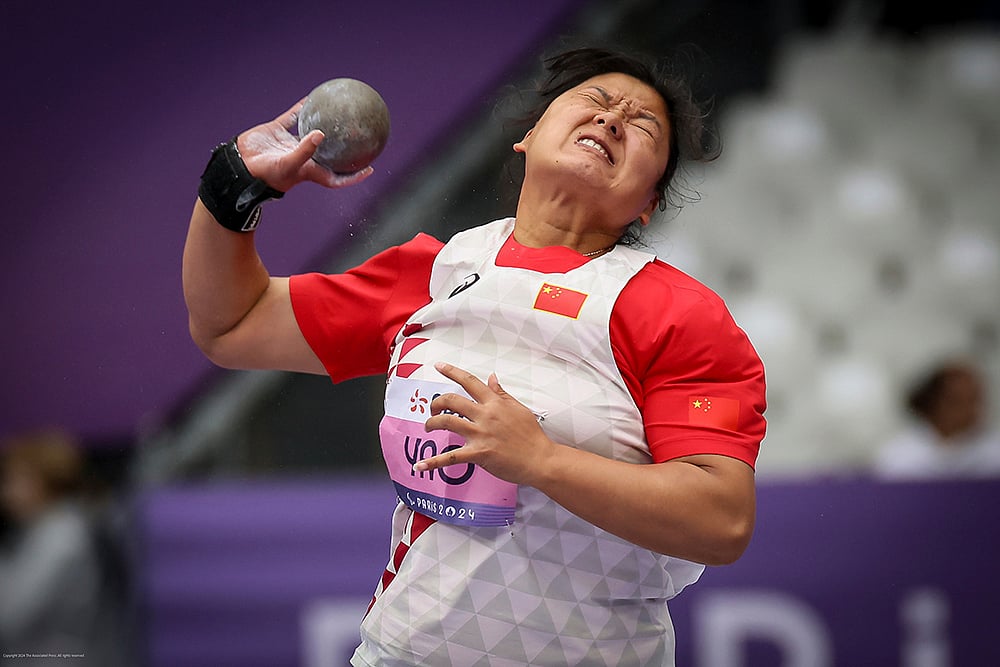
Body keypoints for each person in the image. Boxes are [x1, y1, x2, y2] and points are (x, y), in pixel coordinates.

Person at [183, 45, 767, 666]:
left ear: (649, 201)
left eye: (641, 125)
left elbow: (722, 521)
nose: (611, 119)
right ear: (530, 136)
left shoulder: (678, 313)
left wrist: (541, 460)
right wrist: (233, 185)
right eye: (594, 102)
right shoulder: (431, 274)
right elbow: (232, 324)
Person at [0, 429, 126, 666]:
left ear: (41, 481)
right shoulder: (43, 530)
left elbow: (9, 614)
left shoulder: (60, 538)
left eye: (13, 480)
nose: (6, 492)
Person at [873, 359, 1000, 480]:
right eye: (957, 401)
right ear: (934, 402)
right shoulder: (900, 455)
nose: (971, 409)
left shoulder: (994, 452)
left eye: (974, 400)